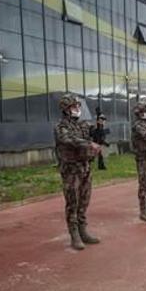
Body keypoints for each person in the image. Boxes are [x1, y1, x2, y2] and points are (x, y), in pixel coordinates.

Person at [54, 94, 102, 250]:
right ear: (66, 109)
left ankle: (83, 230)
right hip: (71, 170)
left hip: (85, 167)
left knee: (84, 200)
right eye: (74, 107)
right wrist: (89, 143)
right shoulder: (61, 126)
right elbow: (70, 140)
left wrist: (99, 127)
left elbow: (91, 134)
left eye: (78, 106)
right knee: (72, 201)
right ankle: (74, 234)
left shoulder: (82, 124)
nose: (77, 109)